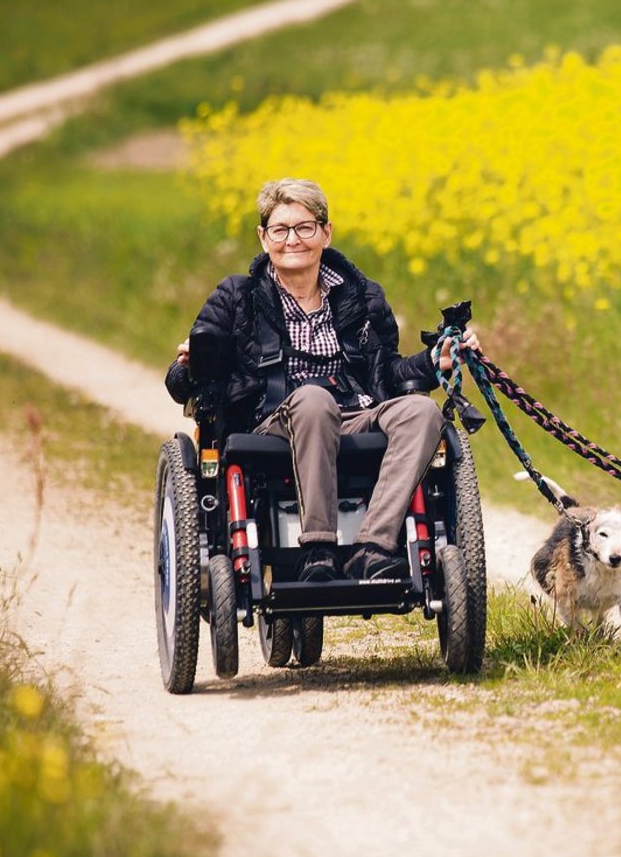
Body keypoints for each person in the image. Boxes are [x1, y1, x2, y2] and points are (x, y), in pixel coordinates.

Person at [165, 178, 478, 582]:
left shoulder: (363, 296)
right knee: (313, 400)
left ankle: (373, 545)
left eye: (305, 227)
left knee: (421, 411)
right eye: (280, 230)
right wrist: (191, 364)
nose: (292, 239)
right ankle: (318, 548)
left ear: (325, 233)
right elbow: (180, 384)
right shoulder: (235, 296)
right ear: (264, 238)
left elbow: (390, 375)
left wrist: (439, 361)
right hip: (273, 422)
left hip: (357, 412)